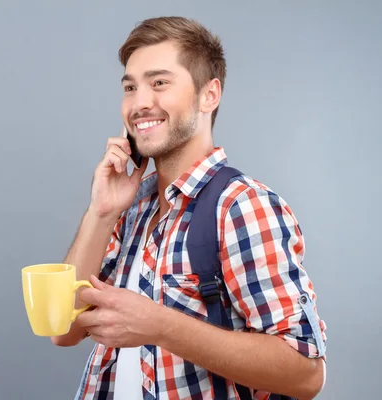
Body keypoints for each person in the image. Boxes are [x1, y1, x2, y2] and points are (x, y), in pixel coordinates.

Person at [52, 16, 327, 400]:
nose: (140, 103)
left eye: (159, 83)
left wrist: (162, 327)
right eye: (130, 87)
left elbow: (305, 373)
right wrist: (101, 211)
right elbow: (63, 330)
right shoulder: (132, 211)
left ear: (208, 95)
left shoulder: (241, 206)